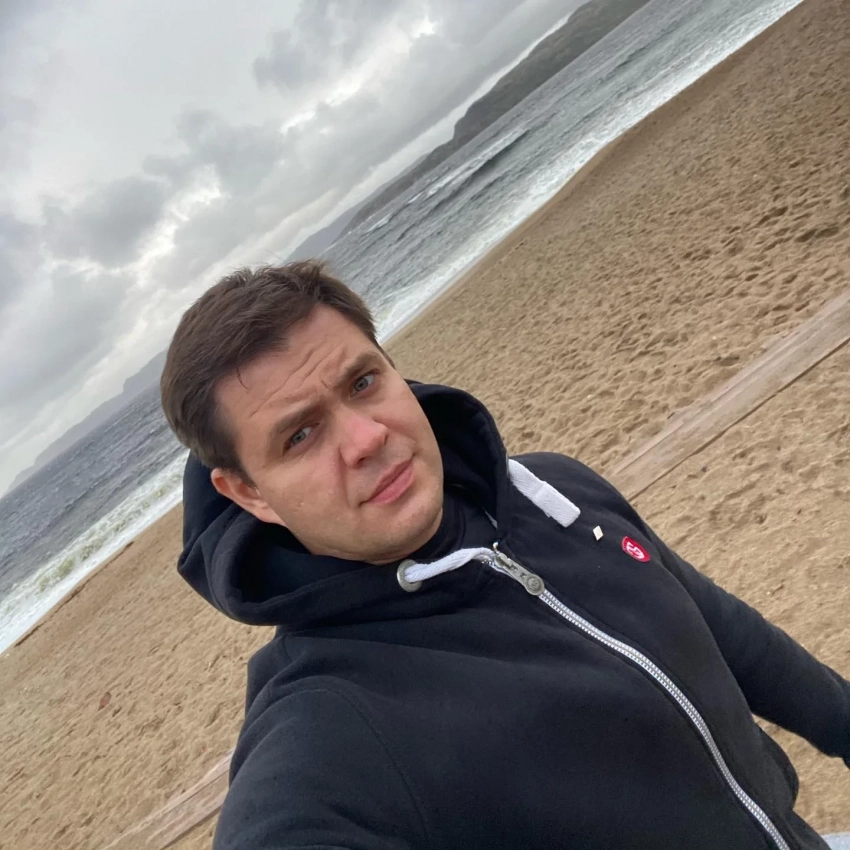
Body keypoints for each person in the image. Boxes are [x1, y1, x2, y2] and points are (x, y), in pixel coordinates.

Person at [161, 261, 850, 850]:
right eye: (300, 435)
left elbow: (720, 630)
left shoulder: (554, 489)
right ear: (250, 492)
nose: (366, 438)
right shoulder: (329, 718)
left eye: (363, 383)